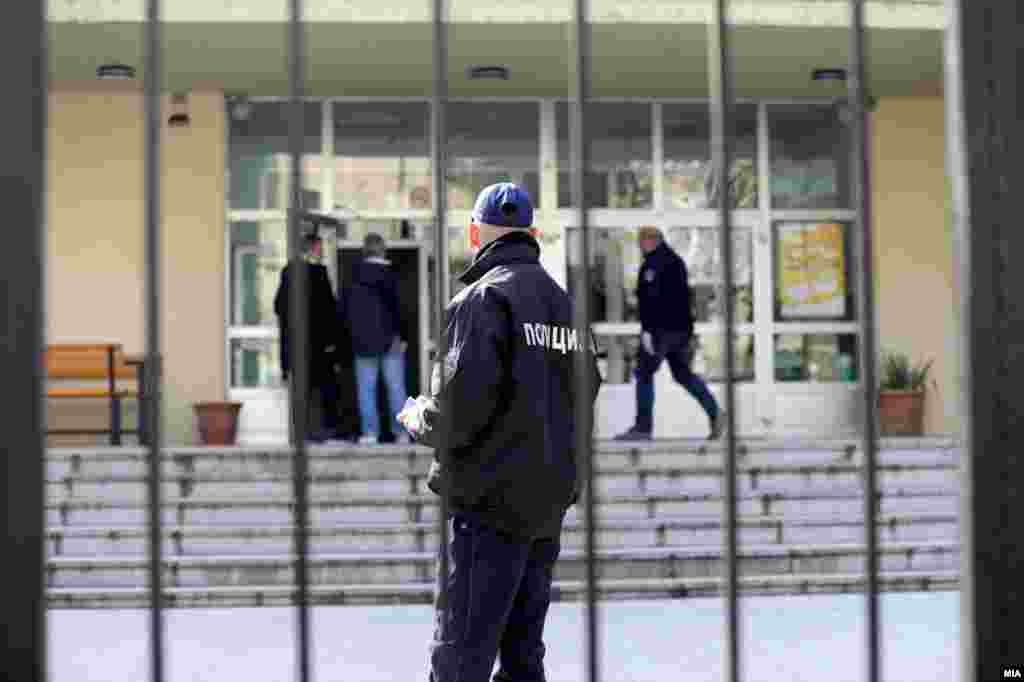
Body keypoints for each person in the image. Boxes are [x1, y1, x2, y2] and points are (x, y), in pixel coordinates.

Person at [401, 182, 602, 682]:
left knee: (460, 656)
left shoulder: (483, 297)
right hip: (546, 505)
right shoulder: (564, 306)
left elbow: (458, 411)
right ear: (531, 233)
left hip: (487, 507)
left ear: (474, 233)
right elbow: (586, 390)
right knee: (522, 658)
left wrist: (416, 417)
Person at [615, 225, 724, 441]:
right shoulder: (675, 261)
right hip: (681, 331)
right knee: (683, 374)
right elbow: (683, 299)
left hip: (661, 332)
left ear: (650, 240)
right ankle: (716, 414)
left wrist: (647, 331)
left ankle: (643, 428)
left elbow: (652, 301)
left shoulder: (654, 264)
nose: (639, 245)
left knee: (644, 373)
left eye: (641, 241)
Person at [273, 232, 343, 443]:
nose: (321, 253)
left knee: (300, 391)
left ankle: (299, 435)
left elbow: (278, 306)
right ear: (312, 248)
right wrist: (332, 342)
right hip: (317, 345)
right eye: (320, 249)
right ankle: (316, 432)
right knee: (317, 391)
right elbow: (329, 310)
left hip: (295, 344)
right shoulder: (319, 273)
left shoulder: (288, 271)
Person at [342, 232, 410, 445]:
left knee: (366, 390)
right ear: (383, 250)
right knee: (396, 389)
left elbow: (343, 311)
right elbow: (400, 309)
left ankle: (370, 434)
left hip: (361, 343)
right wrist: (404, 335)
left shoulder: (351, 276)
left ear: (364, 251)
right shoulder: (390, 275)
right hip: (390, 340)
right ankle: (400, 433)